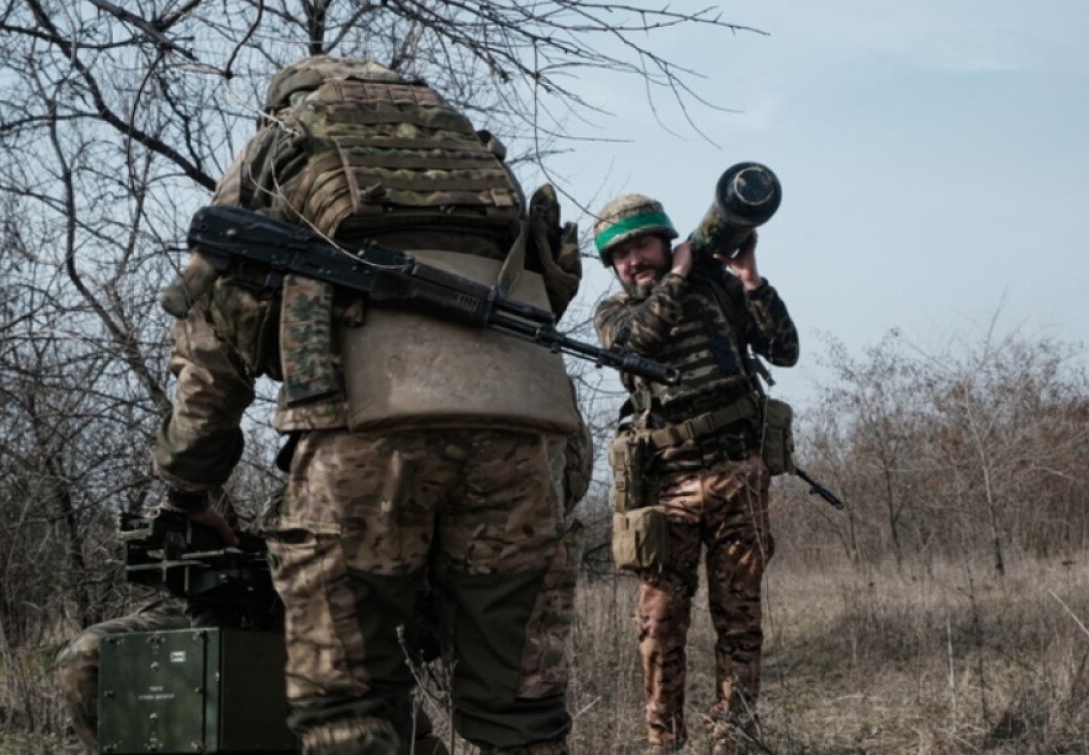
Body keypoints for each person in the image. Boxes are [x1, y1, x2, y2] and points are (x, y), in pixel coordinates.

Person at [148, 55, 588, 755]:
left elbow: (210, 341)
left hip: (362, 433)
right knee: (521, 711)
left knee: (346, 704)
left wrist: (188, 483)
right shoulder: (473, 150)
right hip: (516, 432)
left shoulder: (281, 143)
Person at [591, 194, 799, 754]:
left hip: (737, 477)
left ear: (665, 239)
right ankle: (665, 745)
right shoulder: (614, 314)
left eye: (643, 244)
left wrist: (750, 279)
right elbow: (638, 347)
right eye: (622, 253)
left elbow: (784, 350)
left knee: (740, 622)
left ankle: (733, 739)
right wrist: (679, 275)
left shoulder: (716, 287)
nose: (635, 259)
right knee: (659, 627)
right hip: (665, 491)